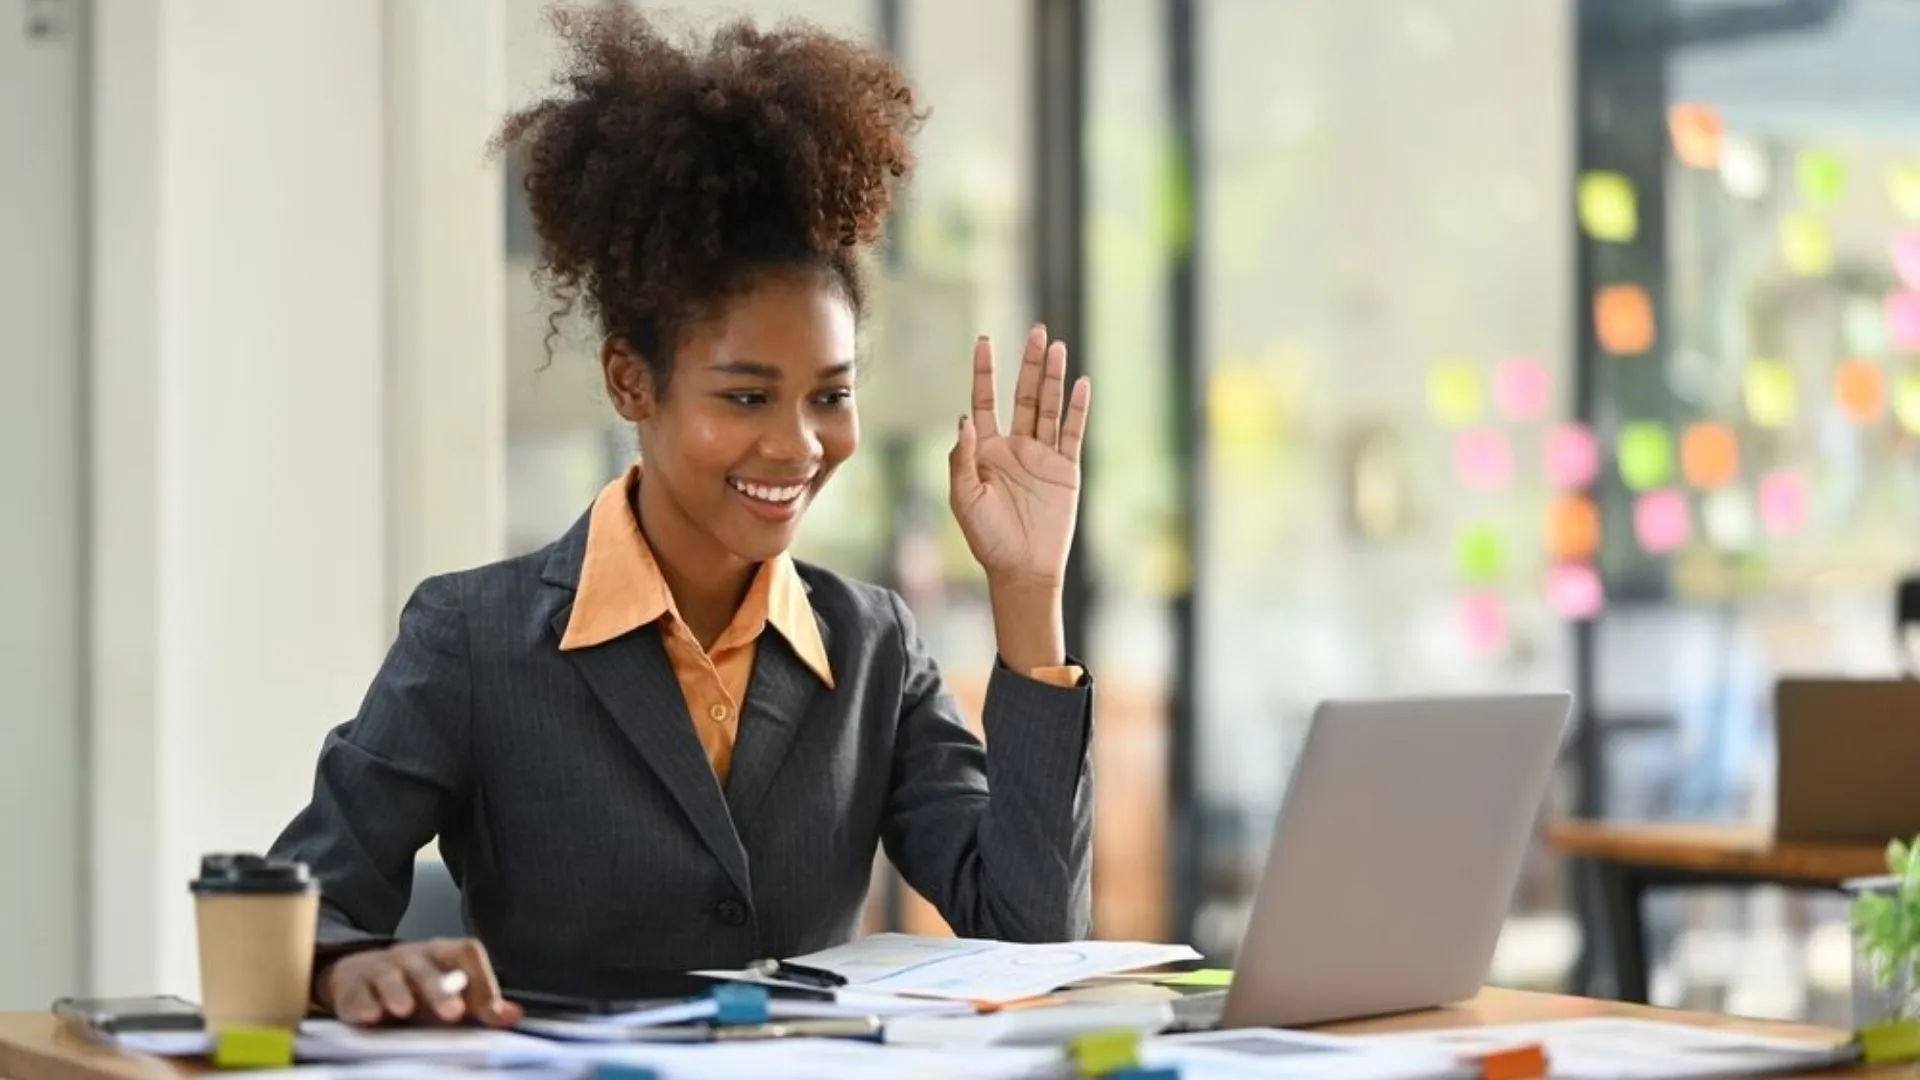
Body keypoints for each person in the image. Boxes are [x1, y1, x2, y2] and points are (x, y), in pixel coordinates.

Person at [267, 5, 1095, 1030]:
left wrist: (1029, 593)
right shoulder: (472, 640)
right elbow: (311, 898)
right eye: (746, 397)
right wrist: (348, 968)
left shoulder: (873, 647)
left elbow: (1031, 935)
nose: (797, 444)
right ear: (630, 380)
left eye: (830, 395)